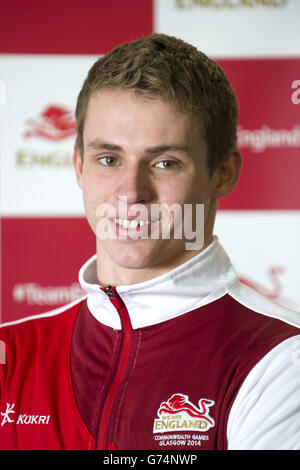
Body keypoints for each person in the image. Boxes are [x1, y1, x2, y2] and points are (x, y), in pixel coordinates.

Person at [1, 33, 300, 451]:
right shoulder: (10, 354)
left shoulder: (281, 358)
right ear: (79, 166)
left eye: (165, 163)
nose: (131, 192)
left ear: (223, 172)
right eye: (109, 159)